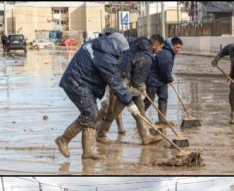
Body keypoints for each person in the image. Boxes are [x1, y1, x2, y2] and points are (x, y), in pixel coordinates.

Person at [55, 32, 140, 160]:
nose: (121, 55)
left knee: (92, 114)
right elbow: (114, 82)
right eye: (121, 52)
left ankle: (88, 151)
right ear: (115, 46)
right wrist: (130, 102)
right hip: (76, 82)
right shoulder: (105, 57)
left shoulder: (97, 44)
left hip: (80, 81)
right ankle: (63, 139)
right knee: (90, 114)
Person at [96, 36, 162, 145]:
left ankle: (146, 136)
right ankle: (101, 134)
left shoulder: (136, 47)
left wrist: (139, 88)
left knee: (140, 112)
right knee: (112, 113)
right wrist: (143, 88)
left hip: (130, 86)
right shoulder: (146, 58)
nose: (160, 51)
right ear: (155, 46)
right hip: (122, 88)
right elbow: (137, 80)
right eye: (160, 48)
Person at [144, 35, 183, 124]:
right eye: (177, 47)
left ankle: (162, 120)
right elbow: (165, 70)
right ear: (172, 45)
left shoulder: (168, 52)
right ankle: (139, 116)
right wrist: (170, 79)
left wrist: (167, 79)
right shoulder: (166, 54)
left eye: (180, 48)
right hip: (153, 80)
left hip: (161, 81)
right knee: (150, 99)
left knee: (163, 98)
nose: (178, 50)